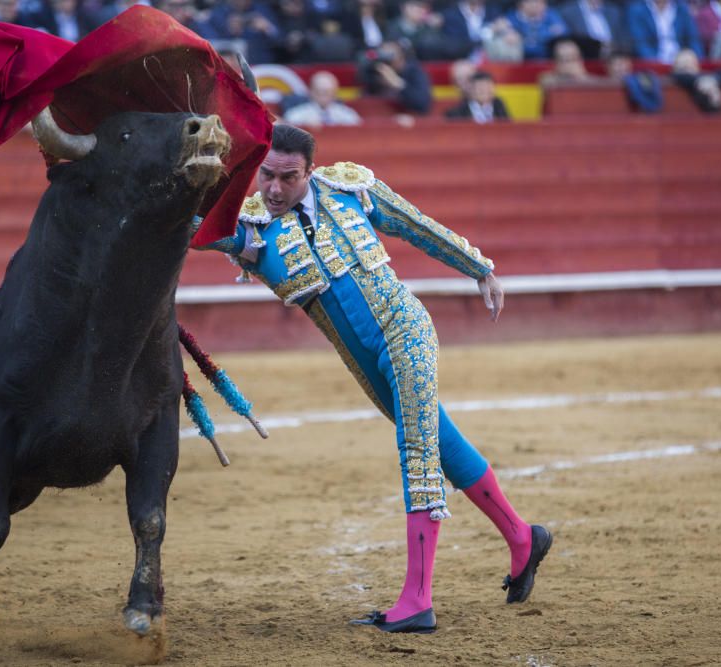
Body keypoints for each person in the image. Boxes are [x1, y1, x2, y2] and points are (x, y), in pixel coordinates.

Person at [192, 123, 552, 634]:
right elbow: (186, 228)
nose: (273, 189)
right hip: (363, 361)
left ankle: (417, 601)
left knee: (419, 449)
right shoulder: (248, 229)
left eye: (287, 178)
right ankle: (522, 538)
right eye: (266, 176)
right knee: (443, 443)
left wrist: (479, 267)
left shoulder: (348, 189)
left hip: (406, 330)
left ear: (309, 172)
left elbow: (415, 225)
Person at [357, 39, 433, 114]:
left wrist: (398, 83)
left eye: (390, 55)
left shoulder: (414, 72)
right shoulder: (374, 71)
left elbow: (422, 105)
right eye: (382, 54)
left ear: (401, 57)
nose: (386, 60)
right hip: (378, 119)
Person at [626, 0, 703, 63]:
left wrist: (697, 60)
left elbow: (694, 40)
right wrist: (657, 64)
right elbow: (640, 44)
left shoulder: (682, 8)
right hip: (654, 63)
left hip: (682, 61)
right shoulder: (637, 10)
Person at [283, 71, 363, 127]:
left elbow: (357, 129)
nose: (323, 96)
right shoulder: (296, 115)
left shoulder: (347, 115)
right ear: (310, 91)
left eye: (327, 92)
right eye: (319, 92)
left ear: (335, 93)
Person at [445, 69, 511, 122]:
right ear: (470, 89)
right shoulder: (457, 113)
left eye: (488, 87)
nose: (484, 91)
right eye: (480, 88)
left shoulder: (499, 106)